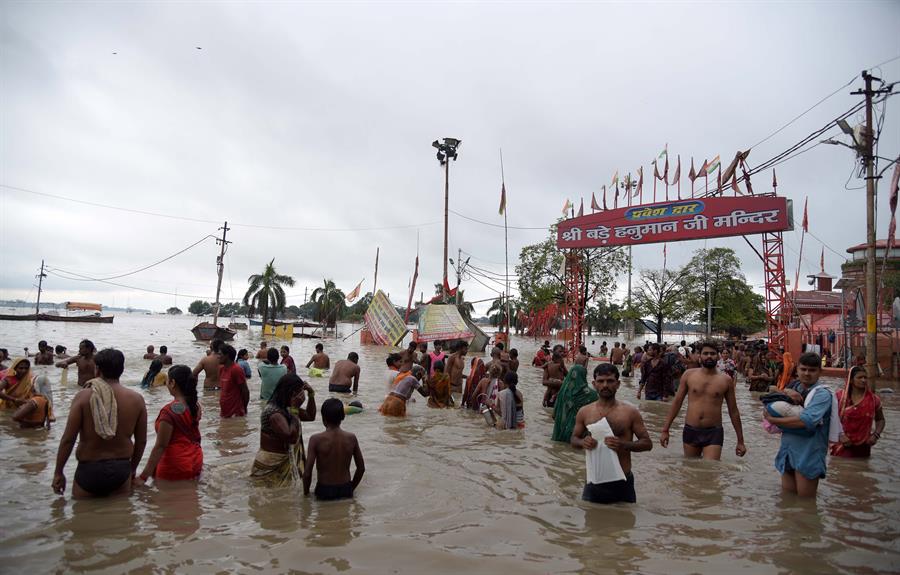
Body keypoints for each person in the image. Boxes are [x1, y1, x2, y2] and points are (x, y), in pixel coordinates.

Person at [52, 348, 148, 498]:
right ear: (121, 370)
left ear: (97, 370)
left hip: (89, 468)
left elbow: (68, 439)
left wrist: (58, 472)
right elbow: (141, 441)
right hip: (121, 468)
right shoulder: (136, 399)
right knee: (121, 517)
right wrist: (132, 469)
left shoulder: (83, 397)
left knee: (82, 516)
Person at [764, 352, 843, 498]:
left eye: (812, 370)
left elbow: (806, 421)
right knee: (787, 501)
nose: (807, 373)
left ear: (820, 372)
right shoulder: (794, 387)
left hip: (809, 453)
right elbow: (770, 396)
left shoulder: (822, 394)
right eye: (803, 369)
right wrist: (785, 391)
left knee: (805, 503)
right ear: (797, 370)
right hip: (788, 451)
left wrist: (774, 420)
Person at [571, 363, 652, 504]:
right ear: (594, 384)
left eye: (610, 381)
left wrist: (623, 444)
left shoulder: (630, 412)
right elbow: (573, 439)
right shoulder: (584, 412)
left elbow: (647, 443)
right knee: (592, 523)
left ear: (618, 384)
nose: (605, 385)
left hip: (623, 480)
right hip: (594, 480)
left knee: (625, 523)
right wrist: (583, 442)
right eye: (601, 381)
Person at [659, 341, 747, 460]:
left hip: (714, 432)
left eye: (712, 353)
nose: (709, 356)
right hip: (691, 429)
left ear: (718, 356)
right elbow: (677, 403)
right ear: (699, 356)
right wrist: (665, 429)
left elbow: (733, 411)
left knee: (710, 469)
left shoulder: (725, 380)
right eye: (705, 353)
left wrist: (740, 441)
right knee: (691, 469)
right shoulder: (689, 375)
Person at [135, 365, 203, 483]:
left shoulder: (169, 411)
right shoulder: (195, 406)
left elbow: (160, 446)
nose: (166, 383)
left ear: (172, 383)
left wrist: (143, 477)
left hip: (174, 465)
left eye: (167, 380)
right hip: (195, 459)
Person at [251, 374, 316, 486]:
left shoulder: (287, 408)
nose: (301, 397)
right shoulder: (274, 412)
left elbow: (310, 416)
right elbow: (291, 437)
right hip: (271, 464)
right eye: (299, 393)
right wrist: (295, 409)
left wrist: (311, 394)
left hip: (283, 463)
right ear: (290, 393)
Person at [303, 398, 365, 500]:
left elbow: (307, 473)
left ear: (323, 418)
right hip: (346, 488)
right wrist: (351, 488)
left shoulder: (316, 439)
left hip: (324, 490)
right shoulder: (351, 438)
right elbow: (361, 468)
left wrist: (306, 495)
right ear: (343, 417)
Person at [831, 366, 886, 458]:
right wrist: (840, 435)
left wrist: (875, 435)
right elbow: (830, 419)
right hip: (842, 445)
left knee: (862, 469)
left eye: (865, 377)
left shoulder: (873, 400)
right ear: (851, 380)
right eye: (860, 377)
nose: (863, 380)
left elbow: (880, 420)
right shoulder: (839, 397)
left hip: (864, 446)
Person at [551, 364, 599, 443]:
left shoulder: (563, 392)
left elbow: (554, 415)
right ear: (584, 376)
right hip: (578, 438)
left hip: (559, 435)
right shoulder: (592, 394)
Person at [2, 358, 52, 428]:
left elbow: (36, 395)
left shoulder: (31, 380)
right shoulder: (8, 379)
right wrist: (14, 400)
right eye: (21, 368)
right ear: (15, 368)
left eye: (26, 368)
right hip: (9, 409)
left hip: (25, 409)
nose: (23, 370)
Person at [217, 344, 249, 418]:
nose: (218, 356)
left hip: (235, 414)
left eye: (220, 354)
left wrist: (244, 408)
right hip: (224, 413)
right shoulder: (222, 369)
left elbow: (245, 391)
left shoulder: (236, 369)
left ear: (227, 355)